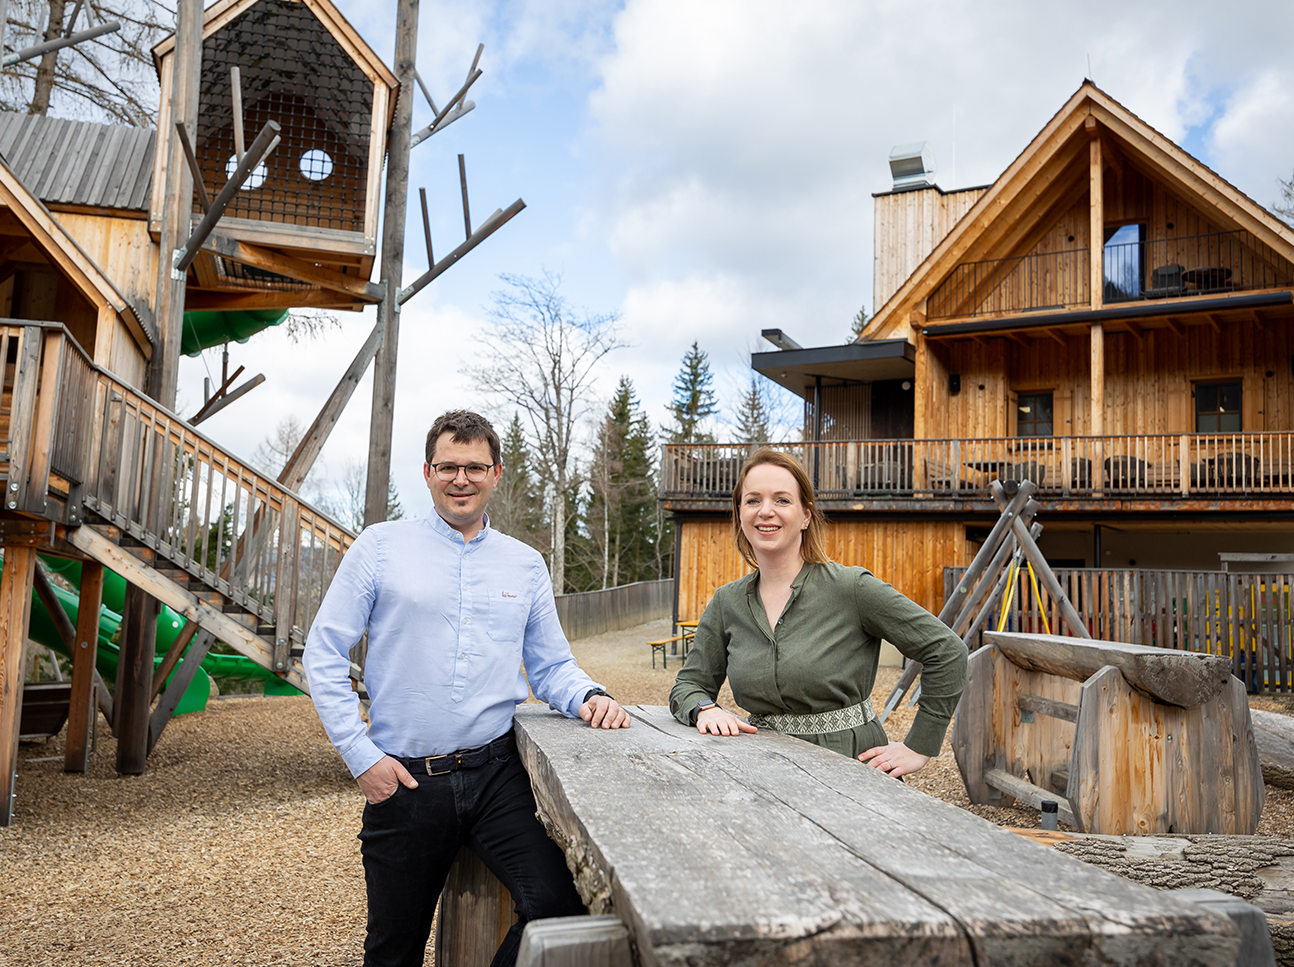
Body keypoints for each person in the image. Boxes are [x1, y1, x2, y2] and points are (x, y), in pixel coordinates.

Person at [303, 409, 631, 967]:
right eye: (449, 466)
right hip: (404, 780)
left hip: (495, 776)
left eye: (475, 467)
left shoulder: (525, 565)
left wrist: (590, 697)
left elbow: (551, 666)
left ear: (496, 474)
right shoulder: (380, 547)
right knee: (393, 948)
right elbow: (323, 653)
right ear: (428, 472)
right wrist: (361, 758)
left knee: (558, 902)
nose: (462, 479)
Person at [668, 448, 966, 777]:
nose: (766, 511)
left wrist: (919, 745)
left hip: (848, 770)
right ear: (740, 512)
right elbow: (688, 685)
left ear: (806, 516)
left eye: (782, 500)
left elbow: (946, 649)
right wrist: (704, 710)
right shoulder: (727, 602)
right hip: (761, 768)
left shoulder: (851, 588)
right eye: (753, 500)